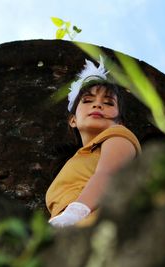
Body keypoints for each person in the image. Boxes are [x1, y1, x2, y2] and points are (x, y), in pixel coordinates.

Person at [45, 55, 142, 227]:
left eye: (109, 103)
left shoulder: (119, 137)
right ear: (73, 120)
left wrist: (75, 214)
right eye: (88, 101)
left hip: (91, 223)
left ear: (120, 122)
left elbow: (108, 175)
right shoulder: (78, 160)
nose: (97, 105)